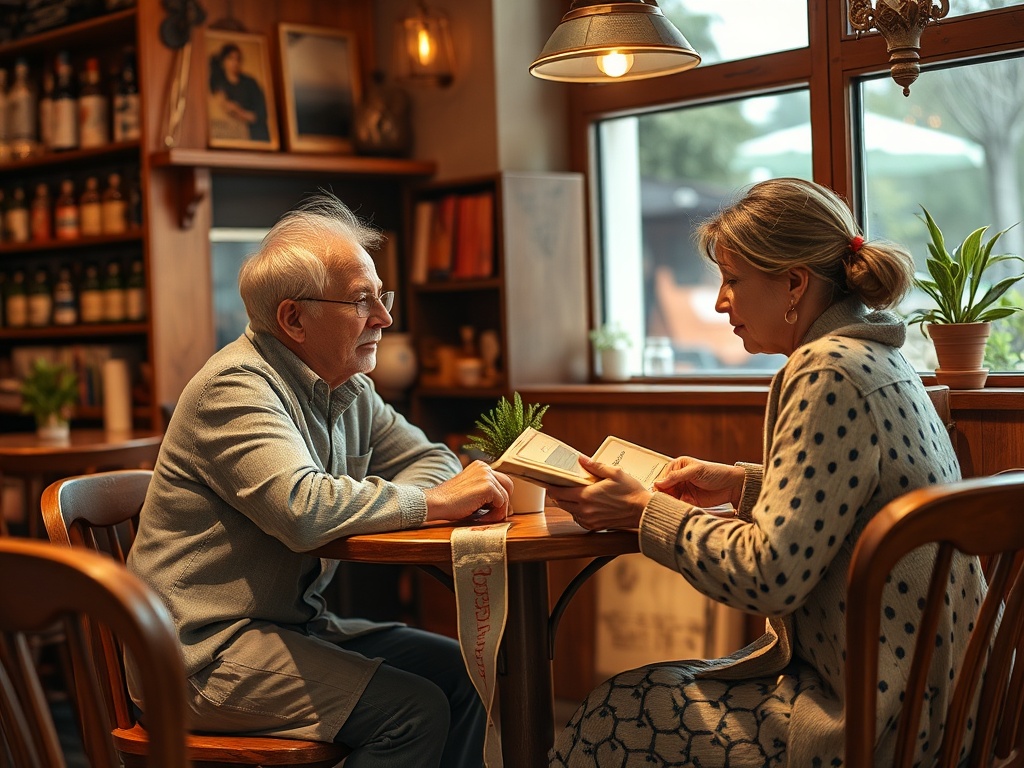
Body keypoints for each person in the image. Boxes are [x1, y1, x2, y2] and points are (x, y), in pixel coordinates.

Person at [545, 177, 977, 767]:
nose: (721, 302)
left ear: (794, 283)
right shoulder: (878, 355)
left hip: (877, 724)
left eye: (733, 280)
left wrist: (645, 511)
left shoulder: (827, 371)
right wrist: (745, 483)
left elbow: (766, 575)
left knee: (612, 711)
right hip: (949, 703)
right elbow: (850, 499)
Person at [126, 191, 513, 768]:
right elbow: (304, 509)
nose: (384, 317)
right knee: (415, 711)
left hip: (294, 627)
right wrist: (433, 504)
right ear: (293, 318)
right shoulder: (234, 390)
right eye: (363, 301)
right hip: (199, 653)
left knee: (471, 674)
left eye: (382, 296)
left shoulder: (346, 385)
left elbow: (432, 459)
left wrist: (433, 496)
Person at [209, 42, 270, 141]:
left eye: (237, 59)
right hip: (232, 135)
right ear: (223, 61)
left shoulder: (250, 83)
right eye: (230, 58)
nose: (234, 63)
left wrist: (238, 110)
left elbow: (260, 116)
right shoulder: (219, 84)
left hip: (255, 135)